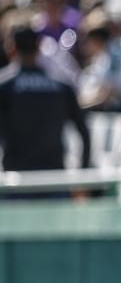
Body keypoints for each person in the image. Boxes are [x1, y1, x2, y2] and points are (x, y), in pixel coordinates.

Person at [0, 23, 91, 183]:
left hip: (16, 182)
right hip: (53, 180)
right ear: (39, 48)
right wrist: (82, 176)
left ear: (11, 49)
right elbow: (84, 133)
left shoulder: (5, 87)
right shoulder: (62, 87)